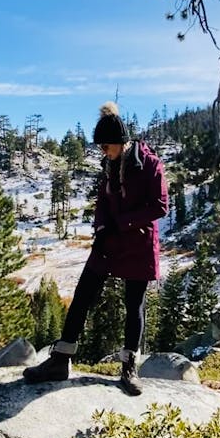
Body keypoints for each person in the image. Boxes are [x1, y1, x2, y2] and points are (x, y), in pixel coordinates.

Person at [24, 101, 168, 395]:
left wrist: (123, 223)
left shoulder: (151, 164)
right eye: (100, 147)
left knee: (134, 306)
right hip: (110, 240)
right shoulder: (110, 164)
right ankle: (61, 360)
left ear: (121, 142)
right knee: (82, 295)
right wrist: (102, 227)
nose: (103, 151)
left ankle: (129, 367)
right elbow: (103, 201)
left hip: (139, 243)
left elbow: (160, 206)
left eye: (106, 146)